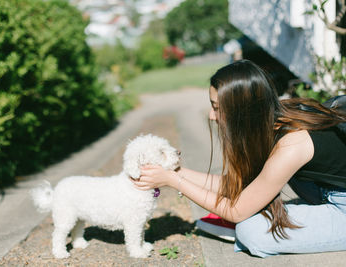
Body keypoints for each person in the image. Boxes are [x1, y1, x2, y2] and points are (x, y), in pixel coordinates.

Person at [131, 59, 346, 258]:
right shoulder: (274, 118)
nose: (211, 116)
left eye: (216, 108)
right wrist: (174, 173)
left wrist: (172, 181)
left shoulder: (292, 143)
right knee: (249, 207)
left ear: (242, 111)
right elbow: (238, 184)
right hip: (324, 192)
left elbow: (236, 211)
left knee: (251, 231)